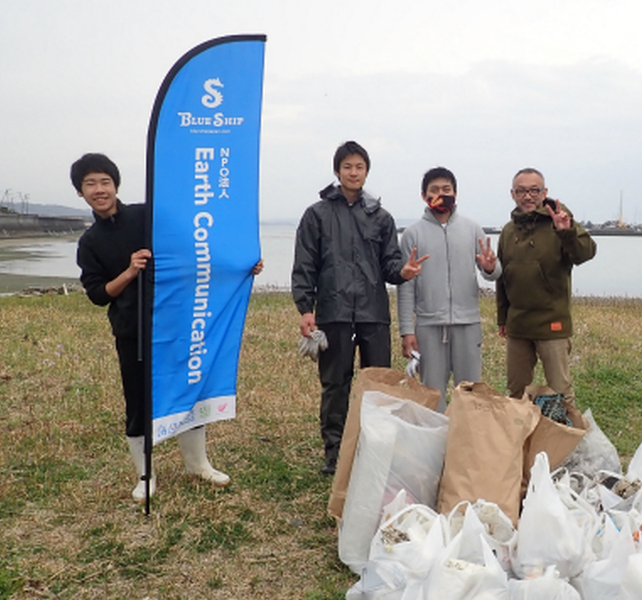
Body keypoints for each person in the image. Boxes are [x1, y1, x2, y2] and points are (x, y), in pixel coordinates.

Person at [73, 152, 263, 502]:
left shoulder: (146, 215)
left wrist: (240, 263)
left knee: (187, 389)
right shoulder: (90, 243)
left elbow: (196, 241)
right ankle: (145, 475)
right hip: (132, 331)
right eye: (90, 184)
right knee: (138, 401)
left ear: (115, 184)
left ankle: (198, 464)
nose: (99, 189)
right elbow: (99, 294)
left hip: (175, 322)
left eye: (105, 181)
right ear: (81, 193)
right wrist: (129, 272)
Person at [292, 141, 427, 475]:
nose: (354, 172)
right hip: (334, 313)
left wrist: (403, 272)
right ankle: (334, 453)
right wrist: (306, 308)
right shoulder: (317, 214)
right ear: (337, 171)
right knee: (335, 384)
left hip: (373, 315)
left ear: (367, 172)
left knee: (378, 384)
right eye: (348, 167)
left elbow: (390, 265)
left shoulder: (380, 217)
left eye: (360, 167)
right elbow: (305, 264)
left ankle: (376, 449)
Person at [397, 167, 500, 411]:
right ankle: (436, 446)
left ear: (456, 193)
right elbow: (405, 287)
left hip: (468, 323)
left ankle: (468, 445)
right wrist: (406, 330)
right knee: (432, 395)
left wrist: (490, 267)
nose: (441, 194)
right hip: (429, 327)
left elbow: (495, 273)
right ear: (424, 196)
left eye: (446, 189)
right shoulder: (412, 234)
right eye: (434, 190)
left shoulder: (472, 229)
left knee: (470, 394)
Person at [496, 167, 596, 405]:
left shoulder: (559, 220)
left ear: (544, 192)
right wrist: (503, 318)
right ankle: (520, 440)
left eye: (533, 190)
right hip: (518, 325)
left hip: (552, 324)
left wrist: (567, 232)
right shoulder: (508, 231)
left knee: (561, 392)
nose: (527, 196)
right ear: (513, 194)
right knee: (516, 392)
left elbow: (586, 253)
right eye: (521, 191)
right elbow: (503, 277)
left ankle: (568, 441)